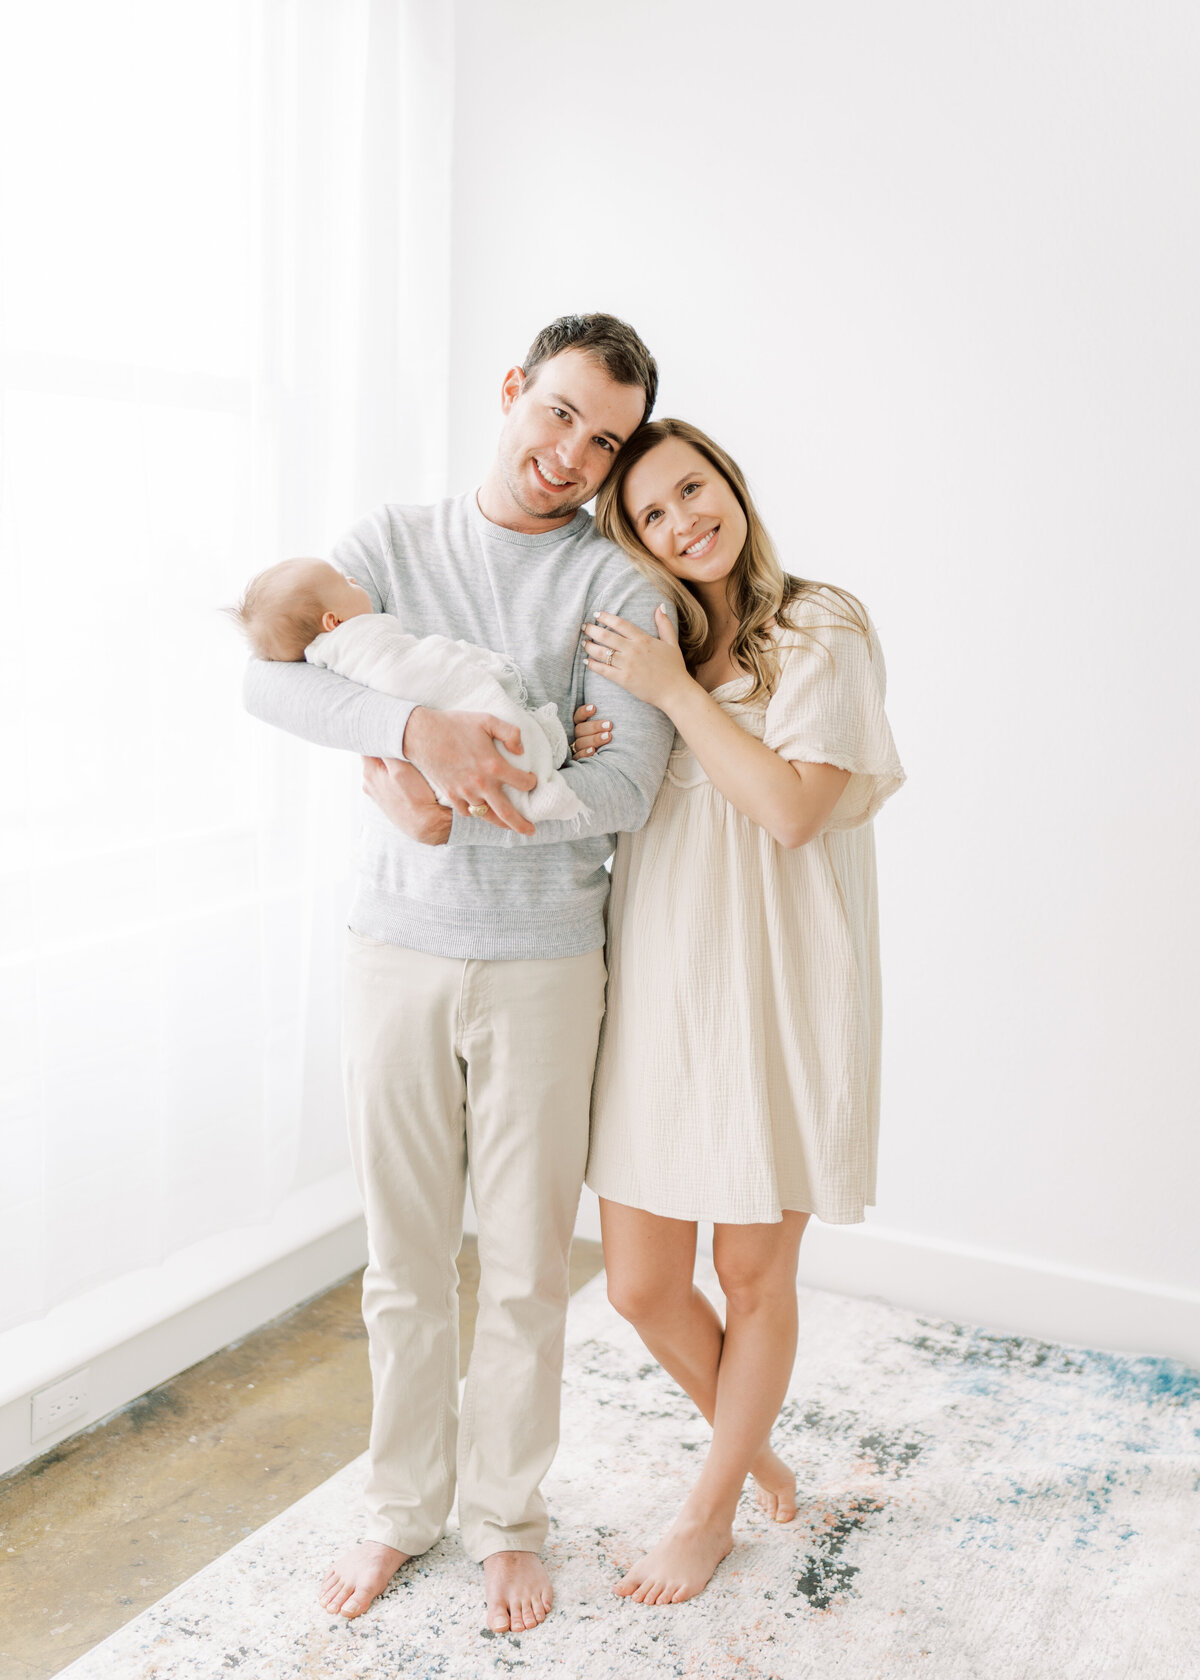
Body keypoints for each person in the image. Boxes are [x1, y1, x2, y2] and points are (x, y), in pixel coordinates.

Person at [241, 315, 675, 1634]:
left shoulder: (619, 588)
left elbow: (630, 785)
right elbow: (272, 686)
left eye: (602, 440)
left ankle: (507, 1521)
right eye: (557, 415)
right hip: (397, 951)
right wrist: (418, 734)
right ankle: (397, 1511)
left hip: (546, 964)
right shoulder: (392, 545)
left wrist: (468, 799)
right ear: (512, 391)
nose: (570, 455)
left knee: (532, 1265)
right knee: (404, 1261)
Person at [570, 417, 905, 1606]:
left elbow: (791, 809)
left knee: (755, 1274)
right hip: (662, 988)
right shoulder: (644, 642)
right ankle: (757, 1456)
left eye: (693, 491)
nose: (682, 522)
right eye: (651, 516)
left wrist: (667, 690)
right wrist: (596, 734)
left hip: (778, 987)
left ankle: (706, 1513)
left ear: (734, 486)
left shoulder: (823, 627)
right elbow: (619, 808)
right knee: (642, 1286)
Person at [229, 557, 585, 823]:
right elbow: (261, 684)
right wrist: (416, 730)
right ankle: (538, 775)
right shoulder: (360, 640)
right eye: (344, 580)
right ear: (333, 623)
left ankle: (540, 770)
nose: (353, 578)